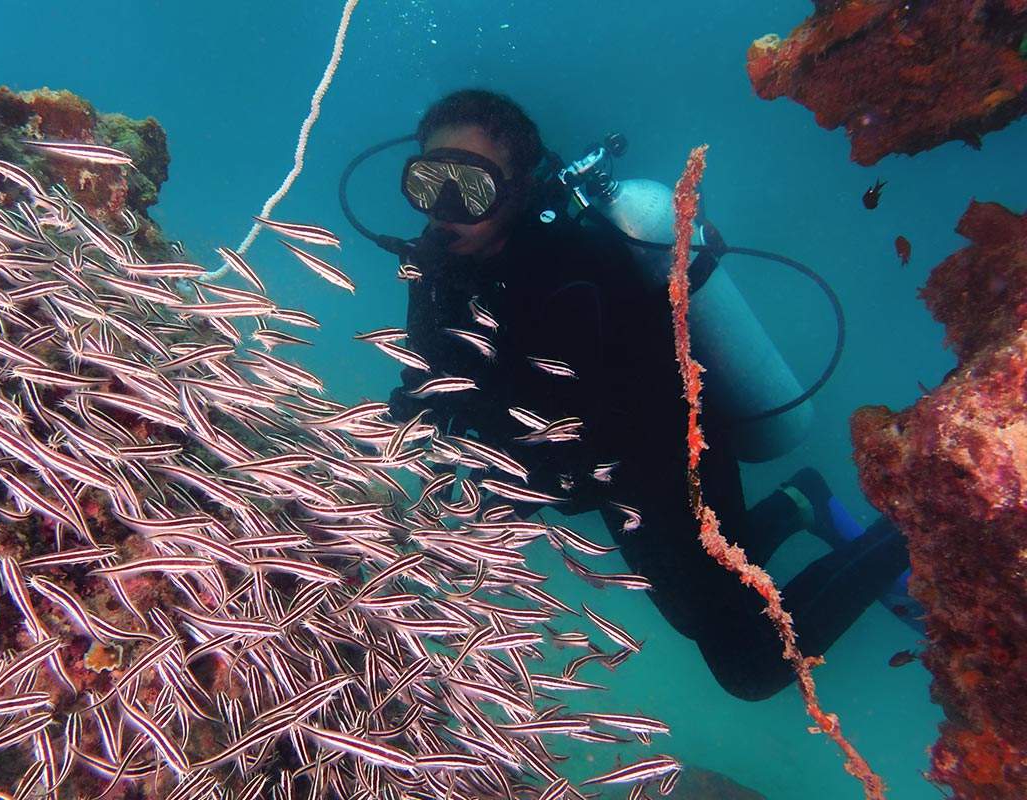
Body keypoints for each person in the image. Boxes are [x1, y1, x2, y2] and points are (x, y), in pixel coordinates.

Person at [385, 89, 913, 702]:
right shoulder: (438, 270)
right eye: (429, 183)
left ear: (520, 187)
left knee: (747, 663)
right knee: (710, 595)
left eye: (469, 186)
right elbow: (433, 376)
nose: (445, 209)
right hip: (579, 475)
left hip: (671, 461)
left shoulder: (579, 268)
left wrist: (514, 485)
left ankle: (906, 532)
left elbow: (623, 418)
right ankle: (801, 503)